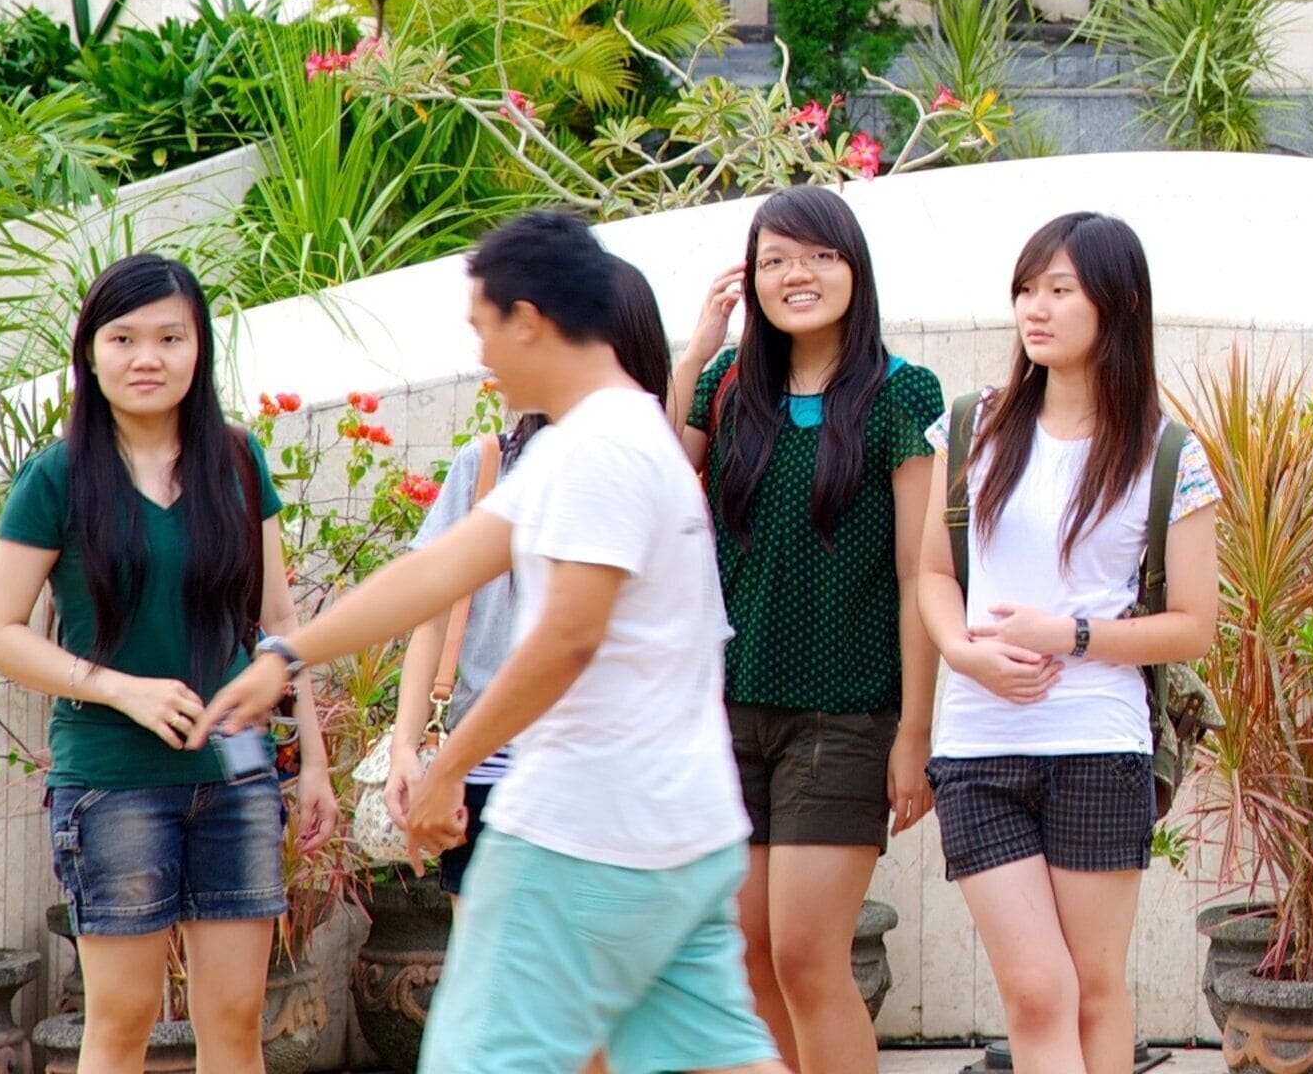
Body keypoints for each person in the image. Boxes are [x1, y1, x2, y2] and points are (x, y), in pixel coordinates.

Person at [201, 208, 783, 1074]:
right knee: (721, 1062)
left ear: (529, 320)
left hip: (582, 836)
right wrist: (288, 655)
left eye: (482, 328)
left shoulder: (600, 452)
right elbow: (437, 573)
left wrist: (449, 767)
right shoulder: (601, 439)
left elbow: (568, 639)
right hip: (678, 835)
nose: (481, 355)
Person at [0, 254, 336, 1074]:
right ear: (90, 353)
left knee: (237, 1020)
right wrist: (122, 691)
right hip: (113, 780)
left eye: (171, 338)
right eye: (124, 338)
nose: (148, 358)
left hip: (235, 777)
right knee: (122, 1021)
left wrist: (312, 761)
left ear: (200, 349)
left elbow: (279, 622)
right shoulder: (59, 477)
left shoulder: (237, 462)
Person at [909, 212, 1221, 1074]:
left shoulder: (1166, 452)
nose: (1033, 309)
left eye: (1058, 289)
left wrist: (1070, 634)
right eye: (1025, 289)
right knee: (1036, 990)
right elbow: (932, 573)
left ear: (1120, 303)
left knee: (1091, 988)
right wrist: (964, 652)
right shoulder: (973, 426)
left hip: (1098, 747)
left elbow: (1193, 623)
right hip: (978, 749)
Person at [669, 184, 945, 1074]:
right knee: (748, 959)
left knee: (805, 957)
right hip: (726, 712)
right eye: (776, 259)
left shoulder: (902, 394)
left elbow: (919, 572)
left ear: (854, 270)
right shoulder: (726, 385)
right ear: (750, 279)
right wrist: (695, 355)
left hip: (844, 716)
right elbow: (653, 492)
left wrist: (914, 734)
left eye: (821, 256)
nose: (799, 275)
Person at [392, 261, 677, 896]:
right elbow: (427, 609)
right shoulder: (491, 463)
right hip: (486, 769)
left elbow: (574, 639)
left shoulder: (640, 470)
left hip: (601, 777)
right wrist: (406, 747)